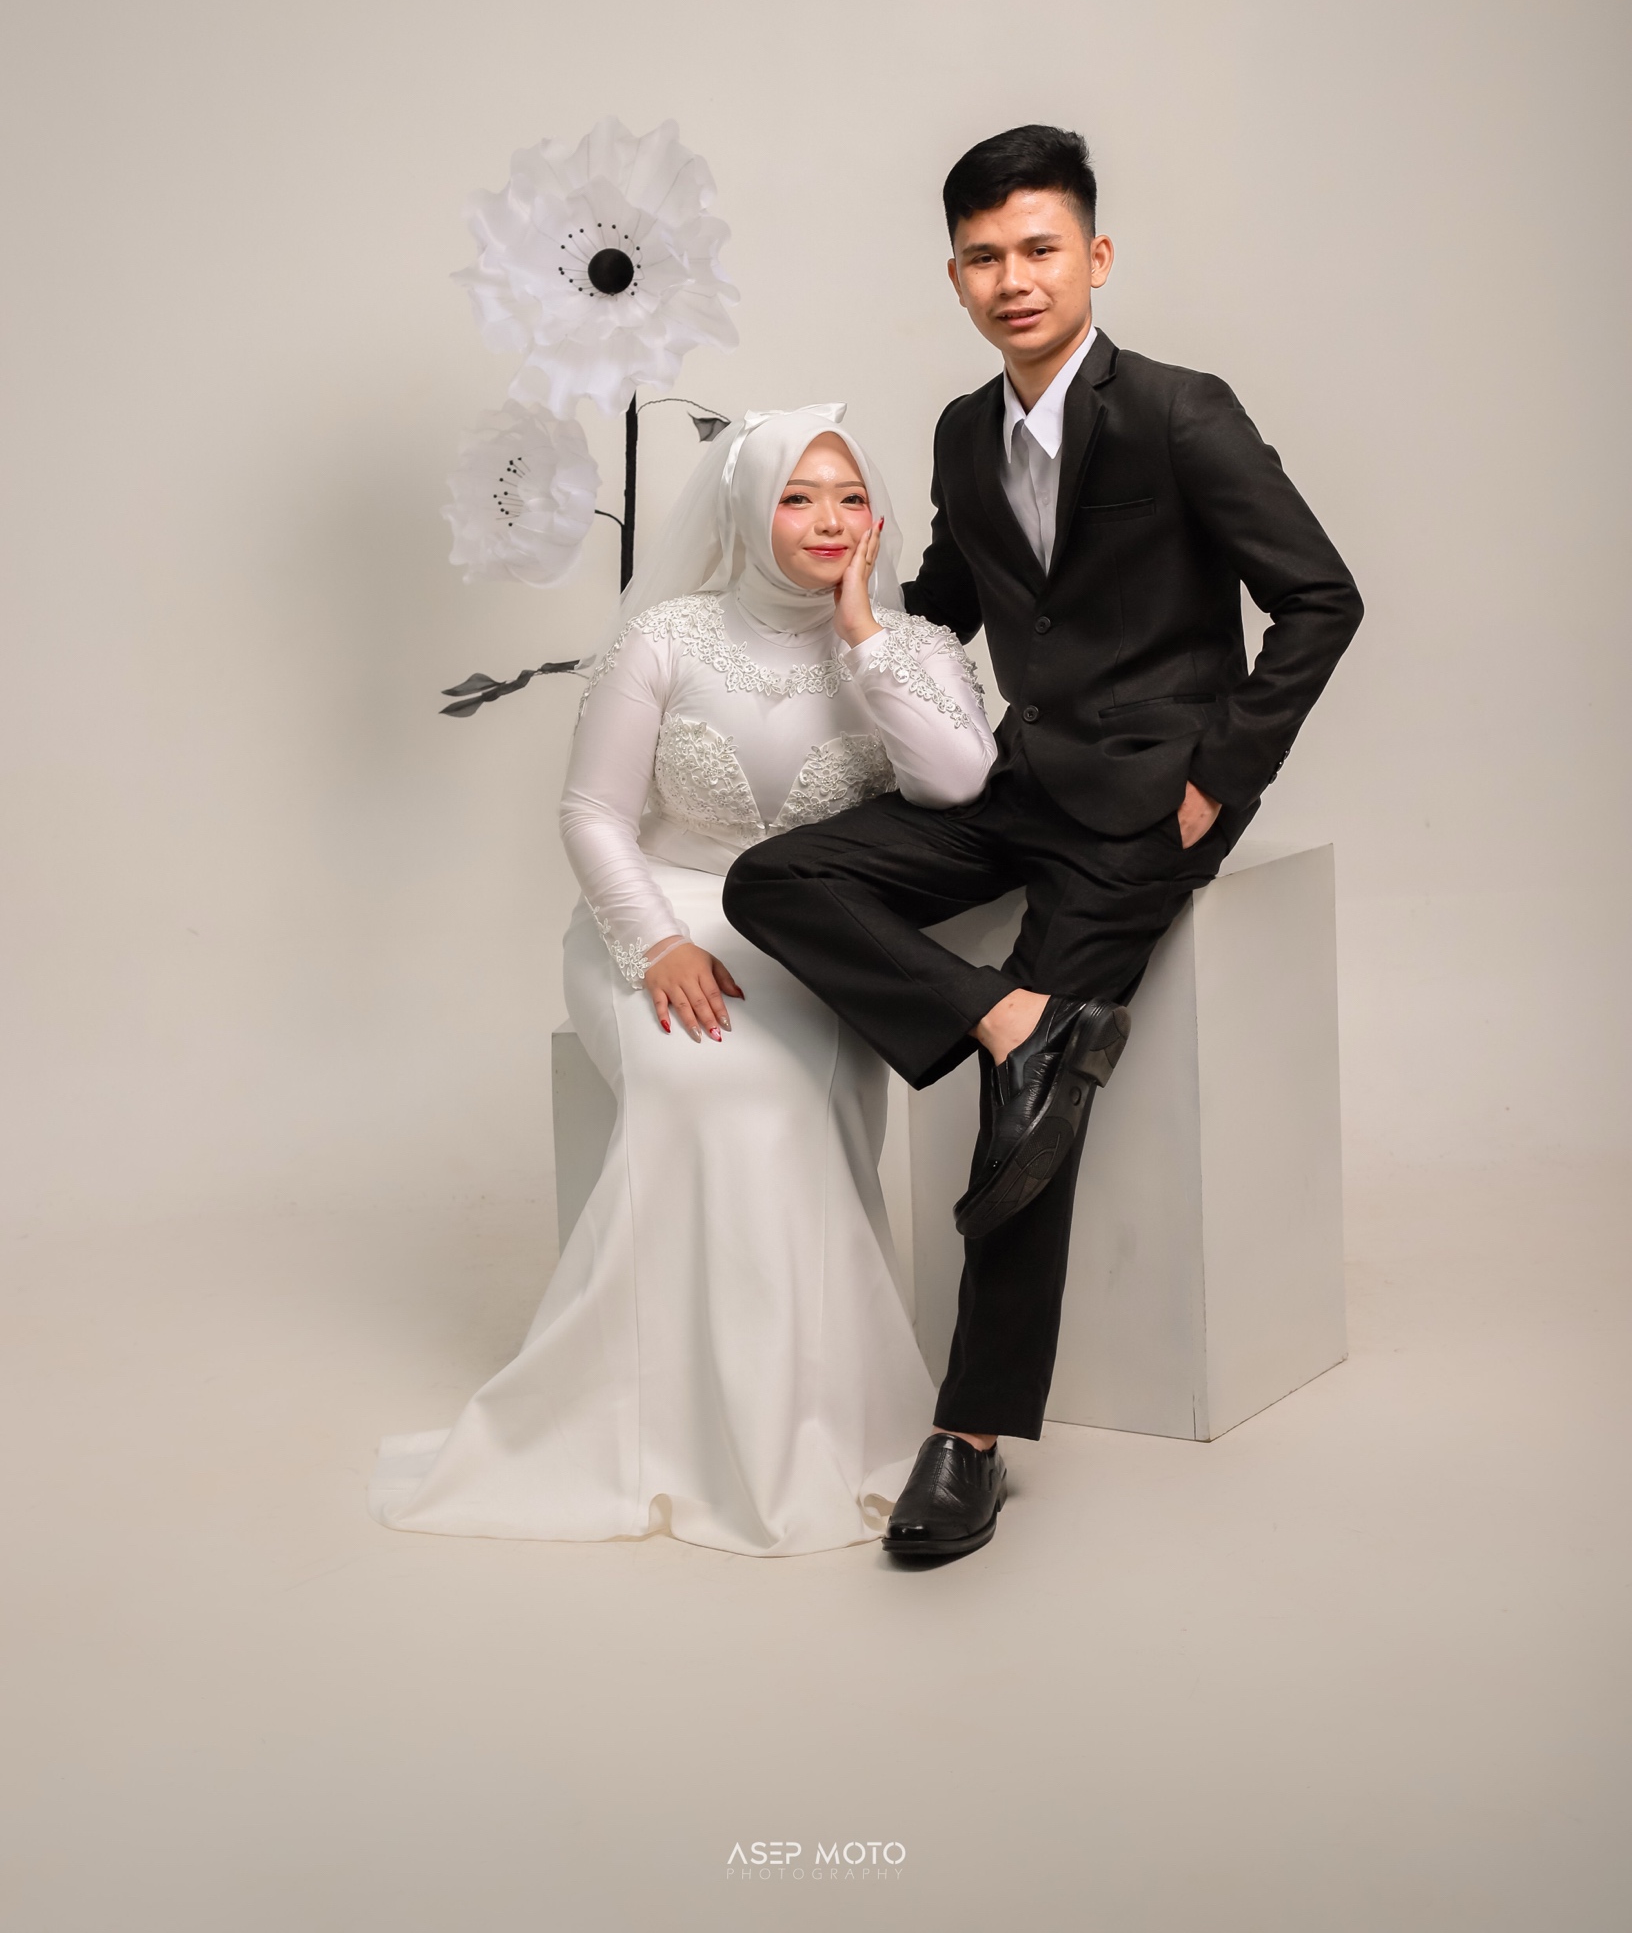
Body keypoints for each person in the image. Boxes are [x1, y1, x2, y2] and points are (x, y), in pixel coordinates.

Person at [724, 126, 1364, 1563]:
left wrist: (1219, 781)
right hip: (1016, 778)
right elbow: (955, 600)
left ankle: (968, 1441)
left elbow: (1321, 598)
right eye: (983, 257)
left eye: (1039, 249)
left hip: (1149, 803)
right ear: (953, 277)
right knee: (780, 880)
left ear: (1095, 258)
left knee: (1026, 1125)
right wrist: (829, 598)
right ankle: (1018, 1020)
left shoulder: (1181, 412)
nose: (1013, 278)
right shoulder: (964, 431)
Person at [369, 405, 996, 1555]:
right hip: (657, 916)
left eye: (850, 498)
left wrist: (864, 635)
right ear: (747, 510)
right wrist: (656, 943)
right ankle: (663, 1432)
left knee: (789, 1105)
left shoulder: (914, 645)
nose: (828, 520)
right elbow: (591, 812)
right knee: (714, 1094)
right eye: (798, 497)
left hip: (817, 938)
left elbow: (958, 785)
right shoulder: (666, 637)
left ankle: (812, 1423)